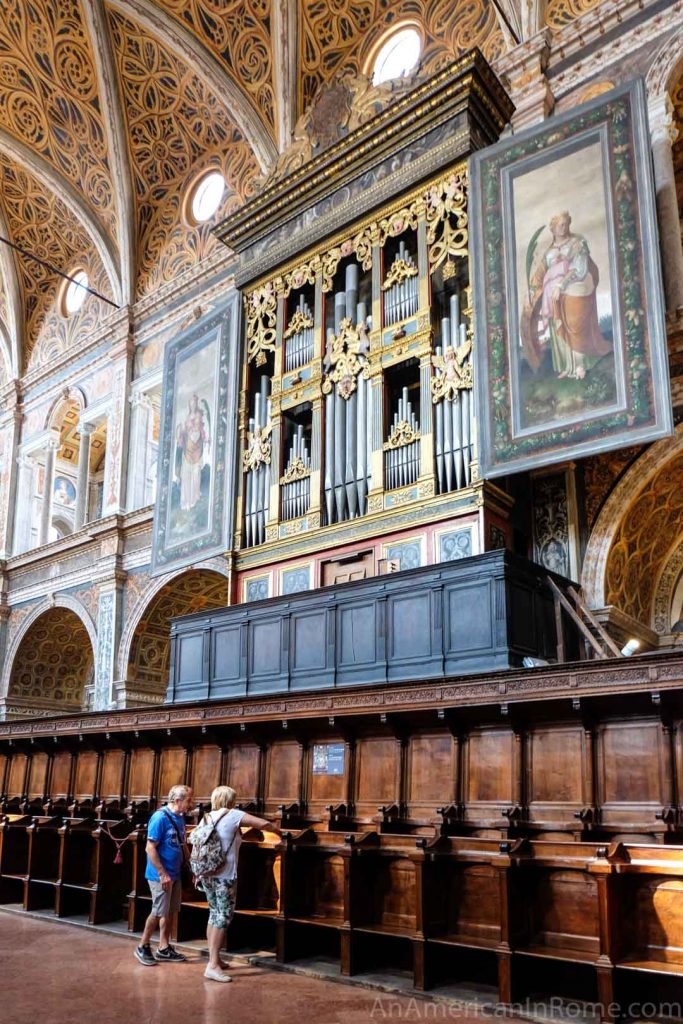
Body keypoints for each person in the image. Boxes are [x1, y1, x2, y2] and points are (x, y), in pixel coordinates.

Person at [192, 785, 280, 983]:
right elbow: (263, 824)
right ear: (230, 801)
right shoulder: (233, 815)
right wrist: (278, 830)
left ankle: (215, 959)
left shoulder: (207, 817)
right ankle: (212, 966)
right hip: (224, 875)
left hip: (206, 873)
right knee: (222, 917)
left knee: (214, 914)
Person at [522, 211, 611, 379]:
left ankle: (580, 364)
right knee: (555, 312)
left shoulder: (577, 243)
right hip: (554, 291)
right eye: (560, 225)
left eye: (566, 224)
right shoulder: (549, 252)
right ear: (553, 229)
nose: (564, 228)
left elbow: (580, 268)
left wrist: (561, 285)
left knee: (570, 307)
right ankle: (566, 365)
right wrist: (531, 290)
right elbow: (539, 275)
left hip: (577, 283)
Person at [134, 784, 193, 966]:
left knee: (169, 911)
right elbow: (150, 847)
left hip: (174, 873)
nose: (193, 804)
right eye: (189, 800)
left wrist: (190, 864)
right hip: (161, 875)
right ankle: (142, 946)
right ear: (177, 801)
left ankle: (163, 947)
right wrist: (162, 873)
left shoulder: (180, 818)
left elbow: (182, 844)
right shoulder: (160, 818)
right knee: (158, 911)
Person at [175, 393, 208, 511]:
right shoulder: (188, 417)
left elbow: (200, 430)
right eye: (191, 403)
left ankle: (194, 499)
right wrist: (181, 432)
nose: (193, 405)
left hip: (196, 451)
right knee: (186, 476)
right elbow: (184, 432)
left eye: (194, 403)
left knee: (196, 475)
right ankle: (185, 501)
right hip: (188, 451)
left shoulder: (198, 415)